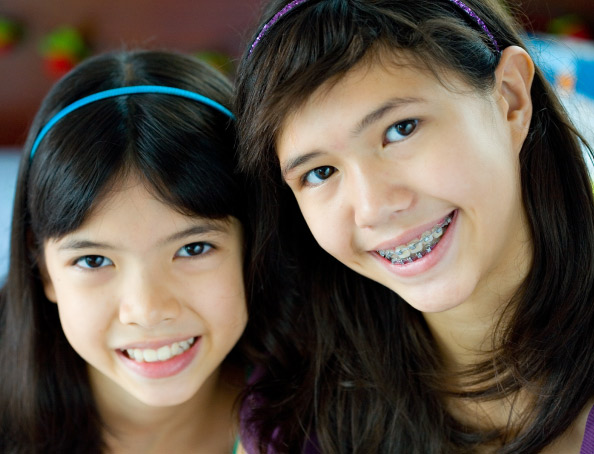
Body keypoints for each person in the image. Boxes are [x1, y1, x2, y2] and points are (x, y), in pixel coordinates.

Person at [234, 0, 594, 452]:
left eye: (401, 129)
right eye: (320, 173)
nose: (373, 207)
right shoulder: (296, 425)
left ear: (510, 99)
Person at [0, 49, 250, 453]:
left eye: (194, 248)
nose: (146, 309)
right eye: (93, 260)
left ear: (255, 245)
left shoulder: (315, 408)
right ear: (44, 269)